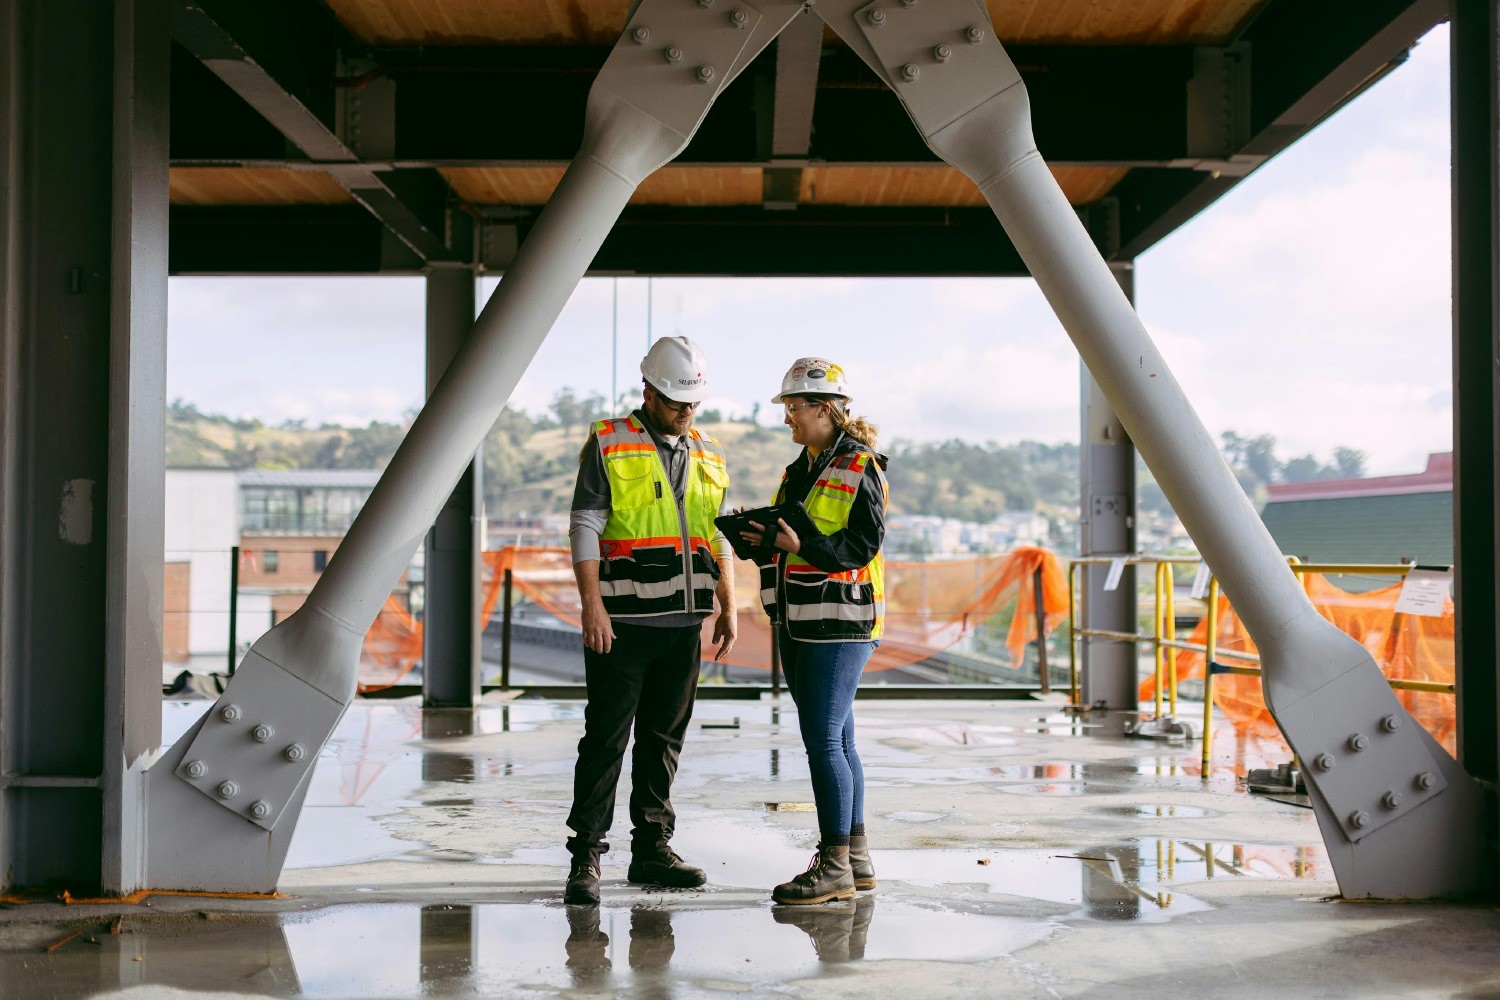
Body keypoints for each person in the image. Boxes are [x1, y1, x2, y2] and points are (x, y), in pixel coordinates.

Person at [563, 335, 737, 906]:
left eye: (693, 404)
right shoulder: (610, 441)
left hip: (684, 624)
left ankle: (652, 850)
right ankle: (586, 857)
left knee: (664, 741)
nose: (686, 413)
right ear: (648, 391)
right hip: (624, 623)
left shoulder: (709, 453)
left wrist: (729, 604)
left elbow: (717, 536)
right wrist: (592, 605)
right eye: (675, 402)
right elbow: (586, 523)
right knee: (607, 739)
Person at [742, 358, 888, 905]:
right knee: (840, 739)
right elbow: (790, 533)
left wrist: (801, 548)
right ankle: (855, 859)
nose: (788, 419)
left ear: (825, 408)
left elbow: (861, 546)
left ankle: (833, 869)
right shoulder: (799, 468)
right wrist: (757, 537)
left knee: (824, 741)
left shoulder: (859, 466)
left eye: (794, 408)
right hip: (802, 619)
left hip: (840, 621)